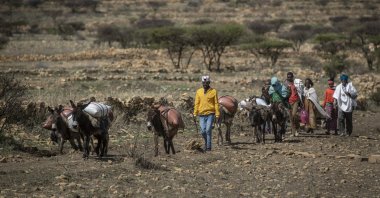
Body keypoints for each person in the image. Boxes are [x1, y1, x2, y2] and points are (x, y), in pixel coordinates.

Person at [193, 75, 220, 151]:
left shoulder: (213, 91)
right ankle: (206, 142)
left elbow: (216, 103)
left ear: (209, 83)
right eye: (203, 83)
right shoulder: (199, 91)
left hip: (210, 114)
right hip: (201, 114)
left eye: (206, 83)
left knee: (208, 130)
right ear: (202, 83)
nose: (205, 84)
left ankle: (208, 147)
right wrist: (195, 113)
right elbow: (196, 103)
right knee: (202, 131)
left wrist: (217, 114)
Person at [286, 72, 301, 137]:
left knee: (294, 115)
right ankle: (293, 132)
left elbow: (300, 91)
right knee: (291, 117)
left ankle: (297, 129)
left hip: (296, 101)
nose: (289, 78)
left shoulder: (296, 83)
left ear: (292, 77)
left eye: (290, 77)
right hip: (289, 102)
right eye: (288, 77)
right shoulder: (285, 84)